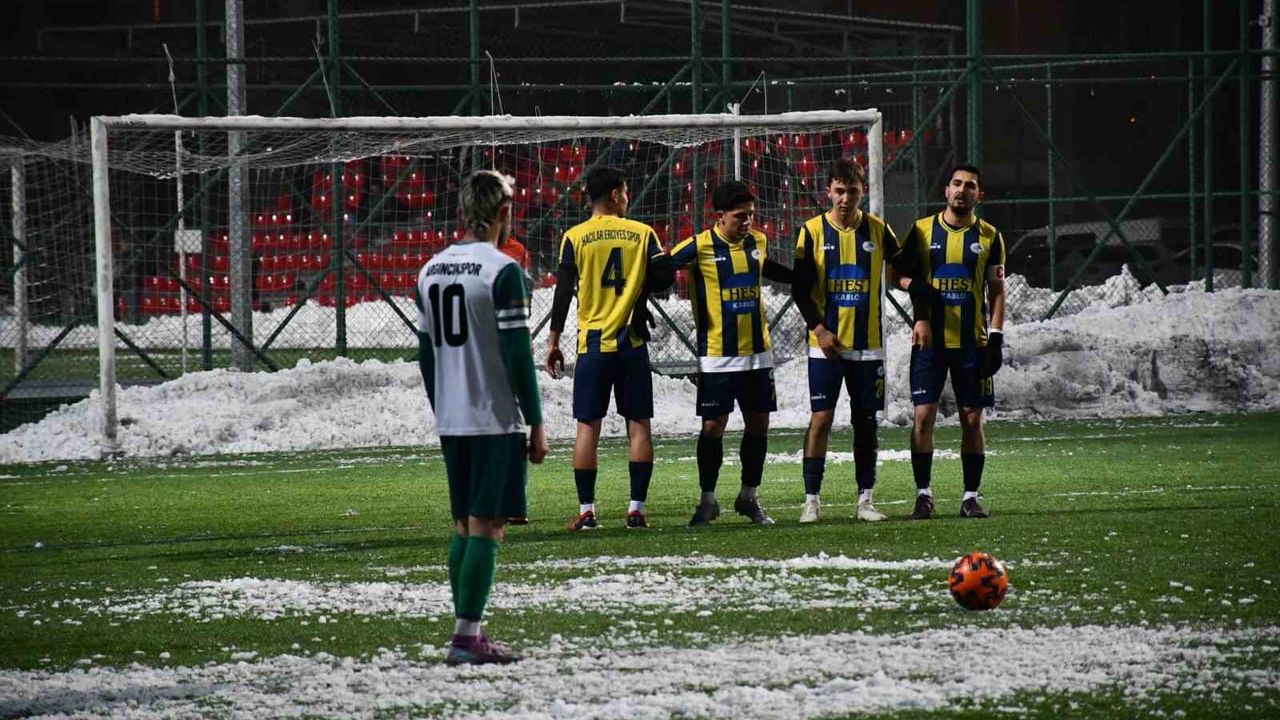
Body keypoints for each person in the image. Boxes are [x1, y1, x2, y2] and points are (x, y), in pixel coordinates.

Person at [414, 170, 548, 666]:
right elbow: (518, 354)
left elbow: (426, 356)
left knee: (463, 526)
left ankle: (469, 629)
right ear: (503, 213)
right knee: (488, 527)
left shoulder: (430, 270)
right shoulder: (503, 270)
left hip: (452, 418)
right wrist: (535, 420)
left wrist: (441, 405)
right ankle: (467, 638)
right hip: (493, 417)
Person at [546, 166, 674, 530]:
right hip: (631, 344)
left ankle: (587, 511)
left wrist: (554, 341)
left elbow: (563, 291)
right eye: (626, 192)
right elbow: (664, 276)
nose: (627, 197)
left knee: (588, 428)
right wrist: (641, 298)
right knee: (639, 427)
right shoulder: (643, 233)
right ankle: (636, 509)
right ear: (616, 194)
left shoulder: (575, 236)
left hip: (593, 345)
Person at [670, 180, 792, 527]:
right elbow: (661, 268)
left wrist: (801, 278)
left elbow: (765, 267)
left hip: (758, 354)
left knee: (759, 426)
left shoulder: (757, 241)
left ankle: (748, 497)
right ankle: (708, 501)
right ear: (719, 216)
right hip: (717, 357)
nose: (747, 222)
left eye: (751, 216)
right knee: (712, 427)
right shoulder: (699, 246)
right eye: (740, 216)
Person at [892, 163, 1007, 520]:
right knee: (923, 416)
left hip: (972, 342)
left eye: (970, 185)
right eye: (956, 183)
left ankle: (970, 497)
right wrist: (921, 309)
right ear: (946, 191)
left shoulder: (990, 236)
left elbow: (998, 291)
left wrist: (996, 339)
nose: (962, 190)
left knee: (972, 419)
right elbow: (897, 274)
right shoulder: (922, 231)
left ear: (979, 195)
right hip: (929, 341)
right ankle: (923, 495)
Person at [792, 158, 899, 524]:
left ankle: (865, 500)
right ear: (828, 192)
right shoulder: (811, 231)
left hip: (868, 348)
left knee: (866, 422)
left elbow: (905, 269)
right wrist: (819, 328)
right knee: (821, 418)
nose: (845, 198)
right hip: (826, 347)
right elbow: (801, 291)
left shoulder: (880, 231)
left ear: (861, 192)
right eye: (839, 190)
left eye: (852, 191)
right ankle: (811, 499)